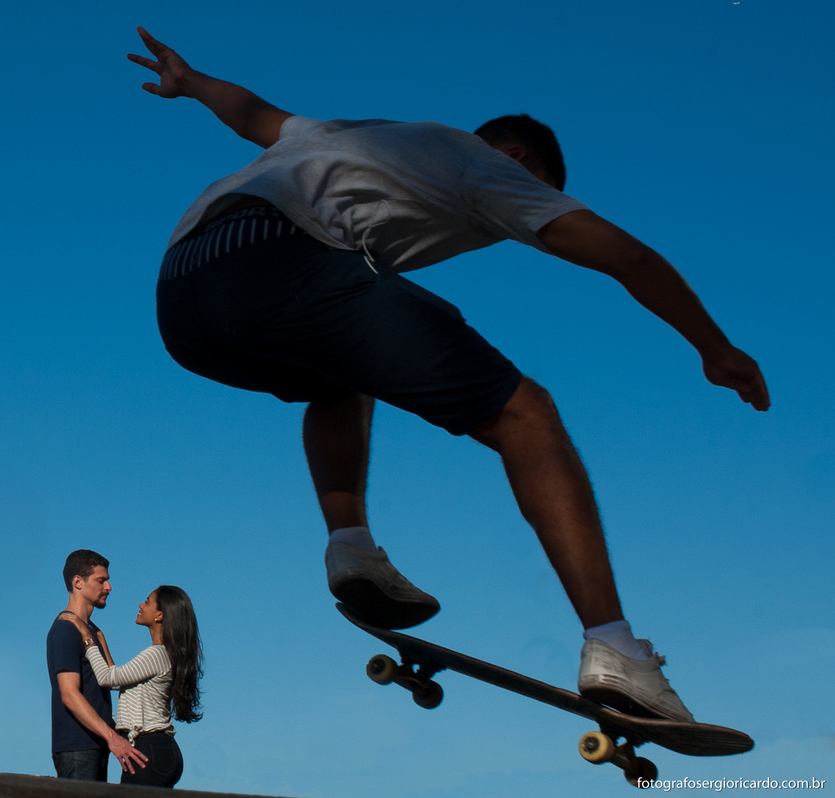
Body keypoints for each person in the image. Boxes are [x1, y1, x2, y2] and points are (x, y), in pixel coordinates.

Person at [129, 27, 771, 723]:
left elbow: (251, 112)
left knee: (338, 375)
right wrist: (713, 346)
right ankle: (617, 648)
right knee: (526, 415)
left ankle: (351, 549)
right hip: (287, 260)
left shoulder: (344, 136)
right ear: (520, 159)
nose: (511, 223)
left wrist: (188, 82)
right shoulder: (483, 163)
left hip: (183, 295)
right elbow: (628, 258)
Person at [62, 585, 204, 788]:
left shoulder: (157, 654)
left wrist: (87, 636)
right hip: (155, 751)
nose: (140, 605)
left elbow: (106, 678)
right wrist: (100, 639)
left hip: (149, 749)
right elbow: (117, 678)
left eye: (147, 601)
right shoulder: (164, 654)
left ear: (160, 615)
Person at [46, 549, 148, 780]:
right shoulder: (65, 629)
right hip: (77, 747)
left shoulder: (91, 631)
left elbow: (111, 679)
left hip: (96, 744)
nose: (108, 587)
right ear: (78, 582)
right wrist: (113, 738)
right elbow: (69, 695)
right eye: (101, 581)